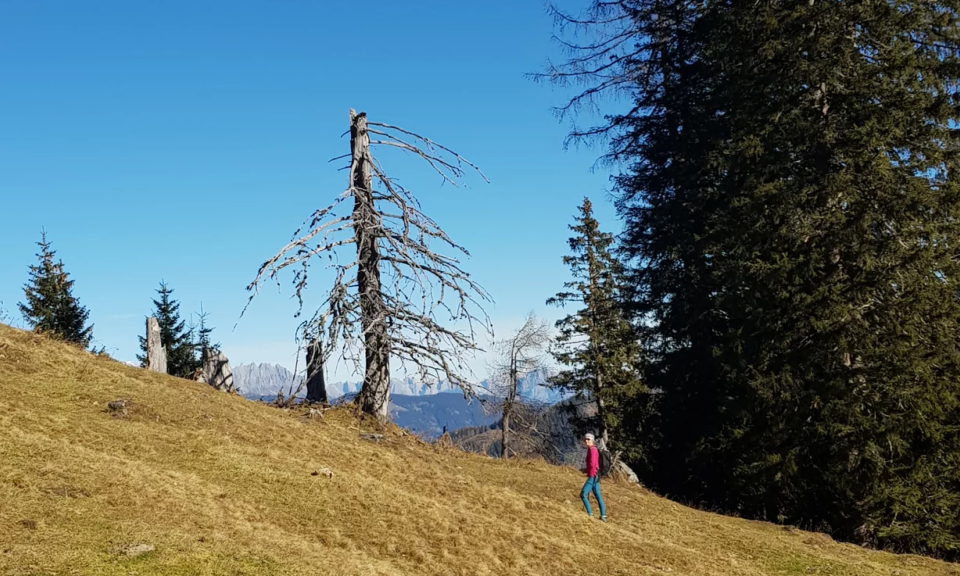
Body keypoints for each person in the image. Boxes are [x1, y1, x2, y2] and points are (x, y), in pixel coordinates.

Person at [581, 432, 607, 522]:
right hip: (596, 475)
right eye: (585, 439)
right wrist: (586, 470)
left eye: (588, 439)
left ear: (592, 440)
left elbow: (592, 464)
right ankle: (603, 516)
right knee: (598, 495)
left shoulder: (592, 450)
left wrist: (588, 471)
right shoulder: (593, 449)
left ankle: (590, 514)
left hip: (593, 475)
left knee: (583, 494)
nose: (586, 441)